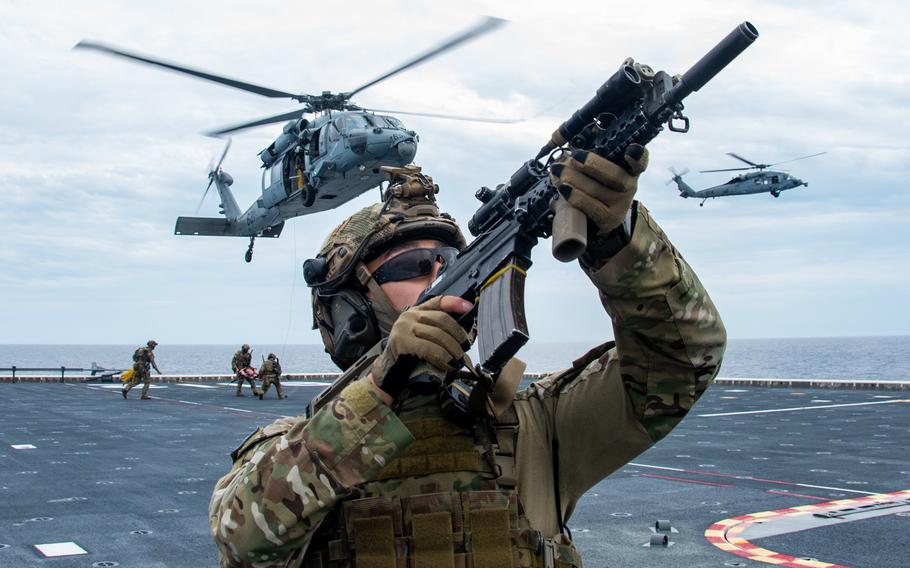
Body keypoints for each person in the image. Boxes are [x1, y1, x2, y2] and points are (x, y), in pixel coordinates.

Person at [209, 152, 727, 567]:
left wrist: (619, 240)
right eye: (413, 265)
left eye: (450, 262)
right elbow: (244, 541)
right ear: (350, 310)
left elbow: (683, 361)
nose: (437, 275)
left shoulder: (533, 426)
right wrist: (379, 386)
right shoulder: (293, 450)